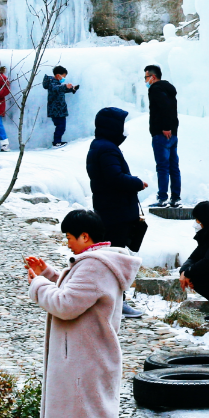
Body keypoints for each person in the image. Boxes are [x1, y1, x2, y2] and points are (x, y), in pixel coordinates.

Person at [25, 209, 140, 418]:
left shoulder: (93, 267)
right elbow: (78, 293)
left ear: (85, 237)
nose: (68, 245)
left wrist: (37, 285)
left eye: (70, 238)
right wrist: (49, 274)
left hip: (89, 357)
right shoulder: (100, 263)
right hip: (95, 354)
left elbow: (65, 304)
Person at [85, 107, 147, 319]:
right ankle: (117, 304)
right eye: (121, 125)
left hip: (108, 209)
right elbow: (115, 178)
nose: (124, 130)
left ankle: (109, 300)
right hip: (116, 211)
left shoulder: (99, 146)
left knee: (109, 257)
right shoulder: (108, 149)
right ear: (112, 127)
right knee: (116, 260)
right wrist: (138, 182)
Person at [144, 65, 180, 209]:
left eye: (146, 77)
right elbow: (171, 108)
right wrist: (172, 128)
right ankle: (175, 197)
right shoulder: (169, 89)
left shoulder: (155, 89)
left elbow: (164, 107)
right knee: (173, 167)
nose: (145, 81)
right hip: (173, 134)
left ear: (153, 77)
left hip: (161, 133)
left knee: (163, 167)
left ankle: (163, 198)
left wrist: (165, 127)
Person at [42, 66, 78, 147]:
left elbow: (61, 90)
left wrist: (72, 89)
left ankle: (57, 141)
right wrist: (65, 86)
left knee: (60, 126)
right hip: (56, 110)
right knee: (61, 126)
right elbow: (56, 88)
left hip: (59, 109)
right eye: (63, 76)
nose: (64, 78)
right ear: (58, 75)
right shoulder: (52, 83)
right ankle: (57, 142)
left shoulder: (55, 83)